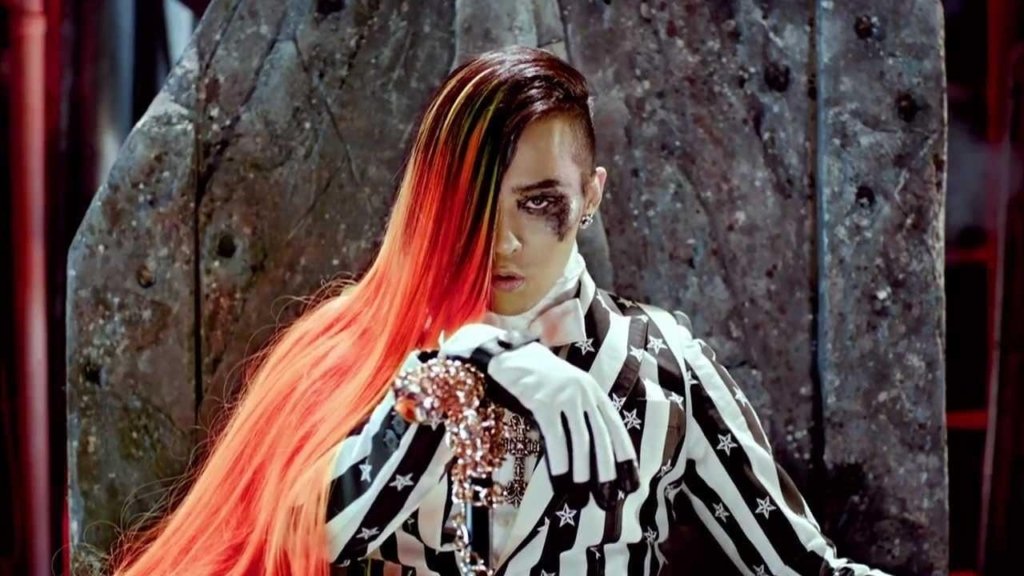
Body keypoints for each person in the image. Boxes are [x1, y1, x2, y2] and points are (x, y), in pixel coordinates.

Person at [112, 46, 891, 576]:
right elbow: (308, 536)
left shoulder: (663, 369)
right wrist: (461, 371)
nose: (504, 241)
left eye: (540, 202)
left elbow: (803, 566)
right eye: (477, 201)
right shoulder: (355, 353)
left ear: (591, 196)